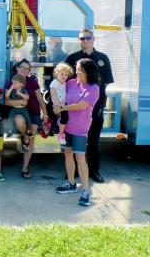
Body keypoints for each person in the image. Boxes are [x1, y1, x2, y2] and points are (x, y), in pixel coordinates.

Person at [65, 28, 114, 183]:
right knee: (74, 141)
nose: (85, 40)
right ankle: (73, 172)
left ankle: (94, 171)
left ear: (94, 39)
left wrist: (97, 104)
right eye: (82, 38)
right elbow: (66, 81)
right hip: (75, 109)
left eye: (88, 37)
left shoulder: (103, 58)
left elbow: (105, 82)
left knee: (93, 140)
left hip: (95, 107)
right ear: (78, 41)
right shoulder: (72, 58)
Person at [54, 58, 100, 207]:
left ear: (88, 71)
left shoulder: (93, 88)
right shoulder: (71, 83)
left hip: (80, 128)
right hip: (65, 127)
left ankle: (86, 190)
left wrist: (62, 108)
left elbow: (82, 105)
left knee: (80, 159)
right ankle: (71, 183)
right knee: (68, 155)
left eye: (80, 69)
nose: (77, 71)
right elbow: (57, 89)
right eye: (77, 68)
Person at [4, 58, 48, 179]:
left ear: (29, 71)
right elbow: (6, 102)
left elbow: (39, 98)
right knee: (20, 121)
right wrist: (22, 103)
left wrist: (45, 114)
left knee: (32, 139)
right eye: (22, 67)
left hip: (33, 113)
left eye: (27, 68)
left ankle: (25, 168)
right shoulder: (11, 82)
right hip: (18, 112)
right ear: (17, 68)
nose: (24, 70)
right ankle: (24, 136)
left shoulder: (32, 81)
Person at [5, 74, 34, 151]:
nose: (13, 84)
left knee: (28, 119)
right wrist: (11, 88)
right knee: (10, 118)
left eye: (15, 83)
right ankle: (10, 131)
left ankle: (28, 131)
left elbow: (27, 97)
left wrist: (20, 93)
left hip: (23, 109)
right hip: (14, 109)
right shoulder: (13, 90)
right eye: (13, 83)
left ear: (21, 84)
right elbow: (7, 96)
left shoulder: (23, 90)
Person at [49, 63, 73, 145]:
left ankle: (58, 128)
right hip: (57, 105)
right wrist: (57, 105)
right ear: (56, 74)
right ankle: (61, 134)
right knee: (63, 117)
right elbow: (53, 95)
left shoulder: (64, 83)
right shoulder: (54, 83)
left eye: (66, 74)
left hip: (63, 105)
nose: (64, 76)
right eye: (62, 74)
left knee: (64, 118)